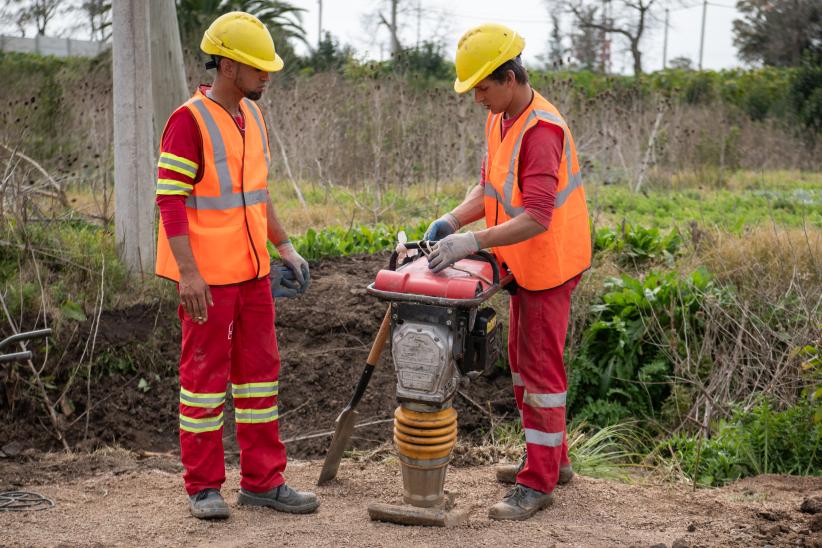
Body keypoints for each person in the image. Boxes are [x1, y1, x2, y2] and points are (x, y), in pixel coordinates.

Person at [154, 11, 318, 520]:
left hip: (253, 275)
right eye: (257, 67)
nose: (267, 75)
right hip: (207, 281)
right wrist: (189, 273)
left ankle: (263, 482)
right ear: (227, 65)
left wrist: (285, 247)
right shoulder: (188, 121)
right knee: (203, 381)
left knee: (259, 379)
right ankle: (203, 487)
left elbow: (256, 195)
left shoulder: (253, 115)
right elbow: (170, 201)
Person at [424, 23, 592, 521]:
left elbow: (538, 215)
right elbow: (490, 188)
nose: (476, 97)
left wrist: (471, 241)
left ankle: (537, 483)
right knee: (522, 363)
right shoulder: (502, 118)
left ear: (510, 77)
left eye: (482, 87)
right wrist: (455, 218)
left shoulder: (541, 131)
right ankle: (552, 461)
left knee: (540, 373)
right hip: (523, 264)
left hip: (549, 266)